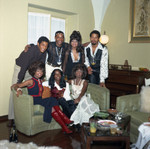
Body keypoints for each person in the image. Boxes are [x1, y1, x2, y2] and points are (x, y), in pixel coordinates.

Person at [12, 61, 73, 134]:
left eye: (41, 71)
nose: (40, 73)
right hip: (33, 100)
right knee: (52, 99)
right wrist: (18, 89)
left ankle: (64, 128)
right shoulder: (30, 81)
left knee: (52, 108)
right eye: (38, 71)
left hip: (40, 100)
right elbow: (15, 85)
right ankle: (65, 119)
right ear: (33, 71)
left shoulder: (40, 80)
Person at [8, 36, 49, 127]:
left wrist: (42, 77)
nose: (44, 47)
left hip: (30, 69)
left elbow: (41, 66)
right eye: (42, 45)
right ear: (38, 44)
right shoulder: (30, 51)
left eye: (46, 46)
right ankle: (11, 118)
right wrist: (18, 83)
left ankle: (24, 114)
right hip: (20, 67)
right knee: (14, 90)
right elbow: (23, 68)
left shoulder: (44, 53)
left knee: (33, 86)